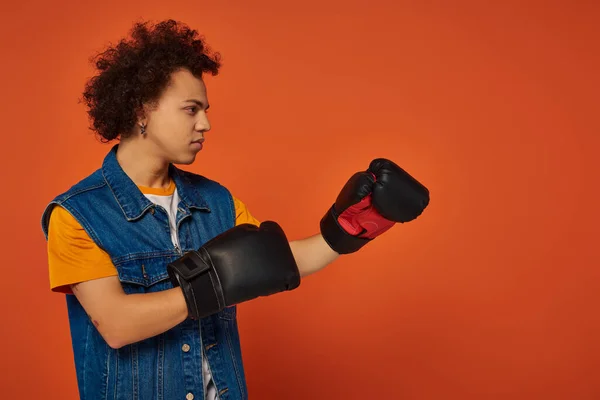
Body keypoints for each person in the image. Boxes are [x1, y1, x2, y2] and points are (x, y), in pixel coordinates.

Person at [40, 19, 430, 400]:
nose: (206, 123)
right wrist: (214, 283)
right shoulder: (78, 214)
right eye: (191, 109)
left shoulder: (217, 202)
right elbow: (116, 323)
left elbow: (276, 261)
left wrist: (350, 226)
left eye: (206, 110)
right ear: (143, 110)